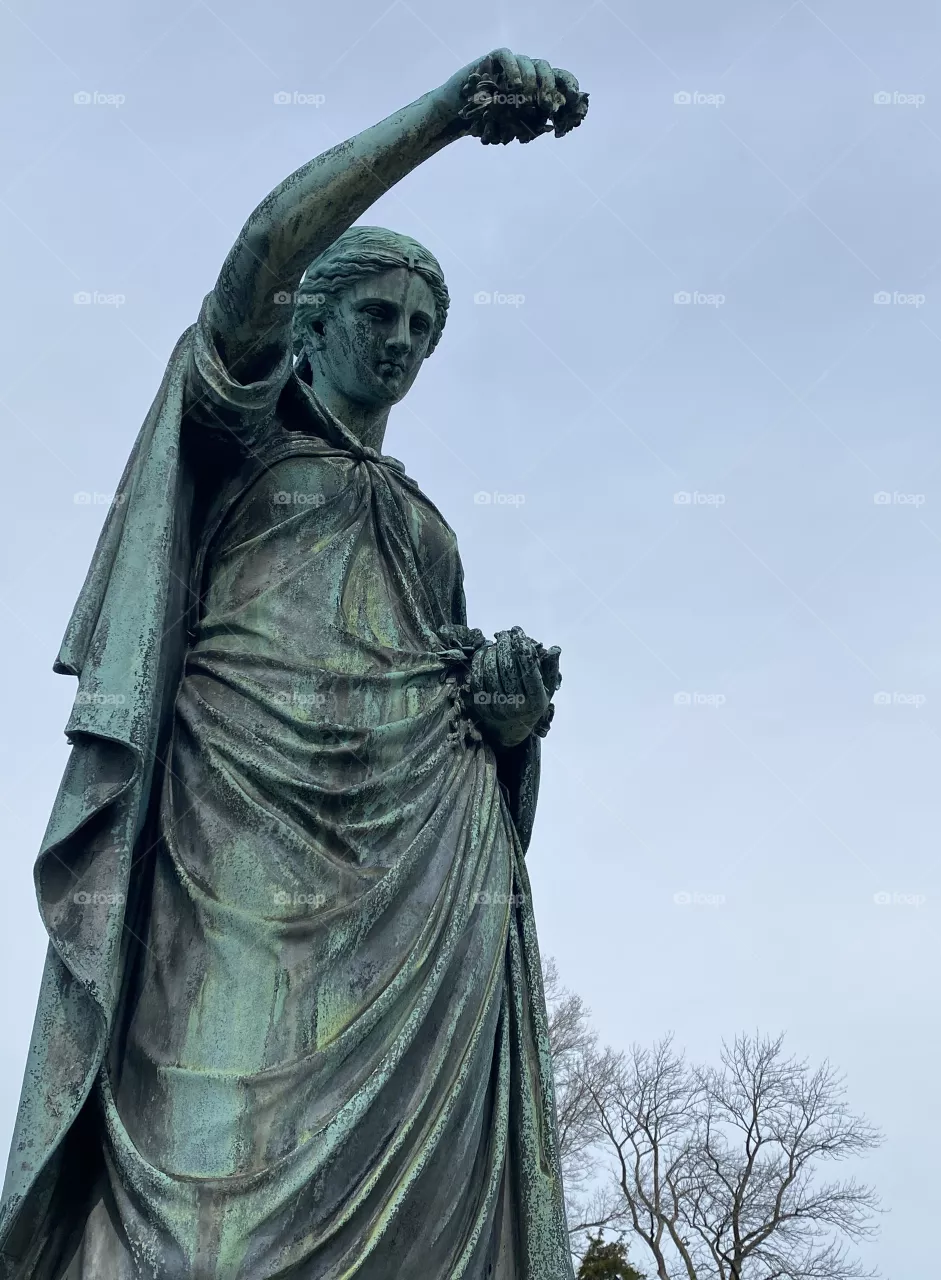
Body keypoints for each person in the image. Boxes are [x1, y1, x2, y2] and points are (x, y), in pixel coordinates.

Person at [0, 49, 588, 1280]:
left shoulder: (428, 529)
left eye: (422, 328)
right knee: (203, 1155)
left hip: (418, 880)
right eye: (377, 314)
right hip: (237, 830)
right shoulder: (246, 436)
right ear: (311, 325)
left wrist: (511, 714)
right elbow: (263, 250)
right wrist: (444, 116)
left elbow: (458, 708)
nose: (403, 342)